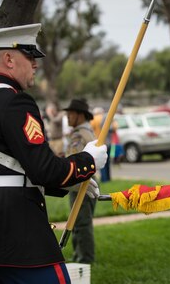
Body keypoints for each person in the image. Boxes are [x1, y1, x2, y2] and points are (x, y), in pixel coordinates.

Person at [0, 23, 107, 283]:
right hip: (19, 233)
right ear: (9, 59)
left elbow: (10, 169)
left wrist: (72, 185)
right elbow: (43, 169)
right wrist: (89, 161)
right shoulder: (16, 101)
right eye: (30, 56)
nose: (35, 64)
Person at [63, 98, 97, 264]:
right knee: (80, 221)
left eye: (70, 114)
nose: (68, 117)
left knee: (81, 224)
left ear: (80, 115)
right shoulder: (88, 132)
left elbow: (73, 160)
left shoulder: (78, 134)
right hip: (87, 182)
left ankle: (84, 259)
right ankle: (79, 255)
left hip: (80, 184)